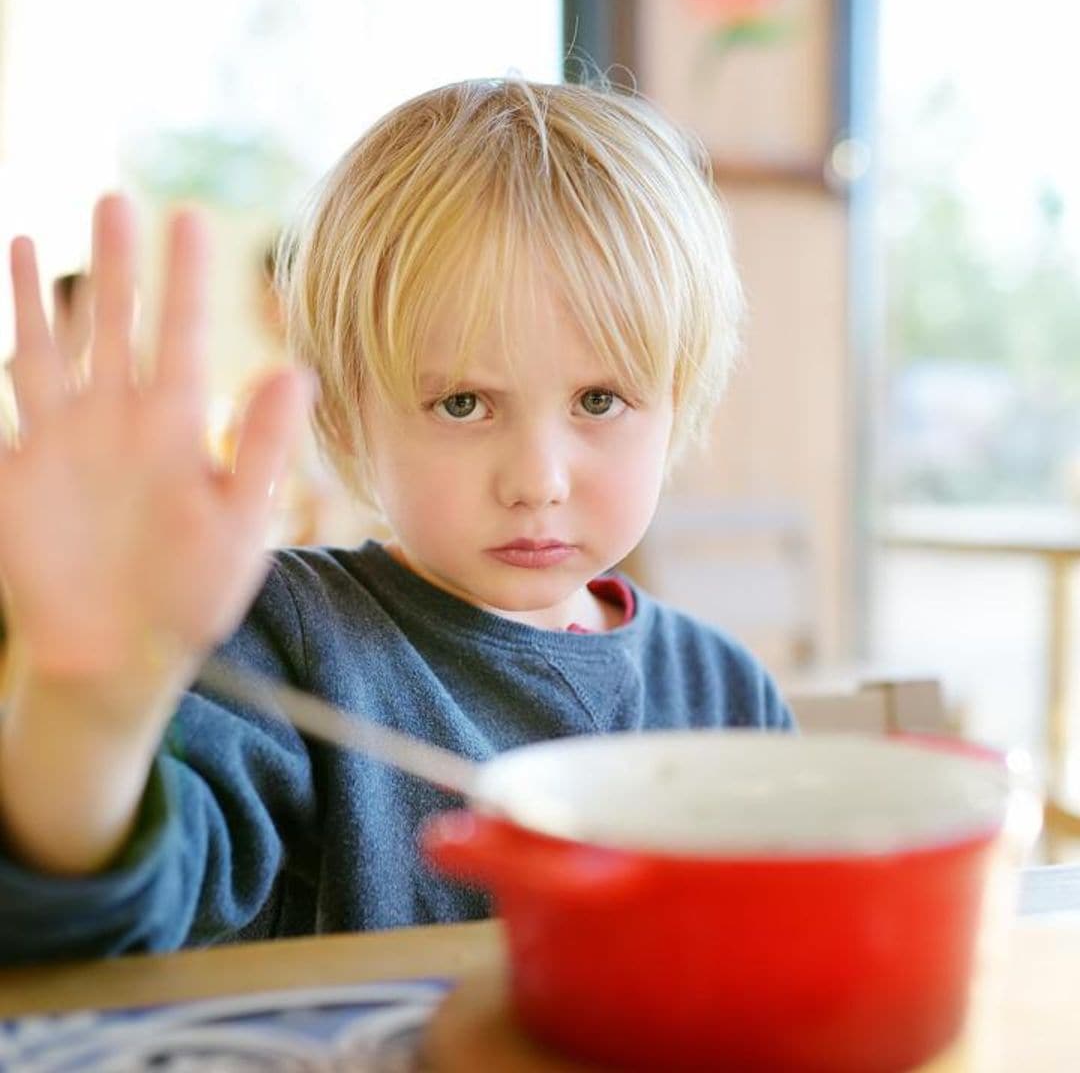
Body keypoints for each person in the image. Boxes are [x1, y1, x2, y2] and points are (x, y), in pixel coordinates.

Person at [0, 78, 793, 966]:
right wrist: (88, 708)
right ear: (343, 418)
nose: (538, 479)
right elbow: (95, 925)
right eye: (463, 403)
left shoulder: (728, 694)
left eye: (599, 400)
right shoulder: (281, 638)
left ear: (676, 408)